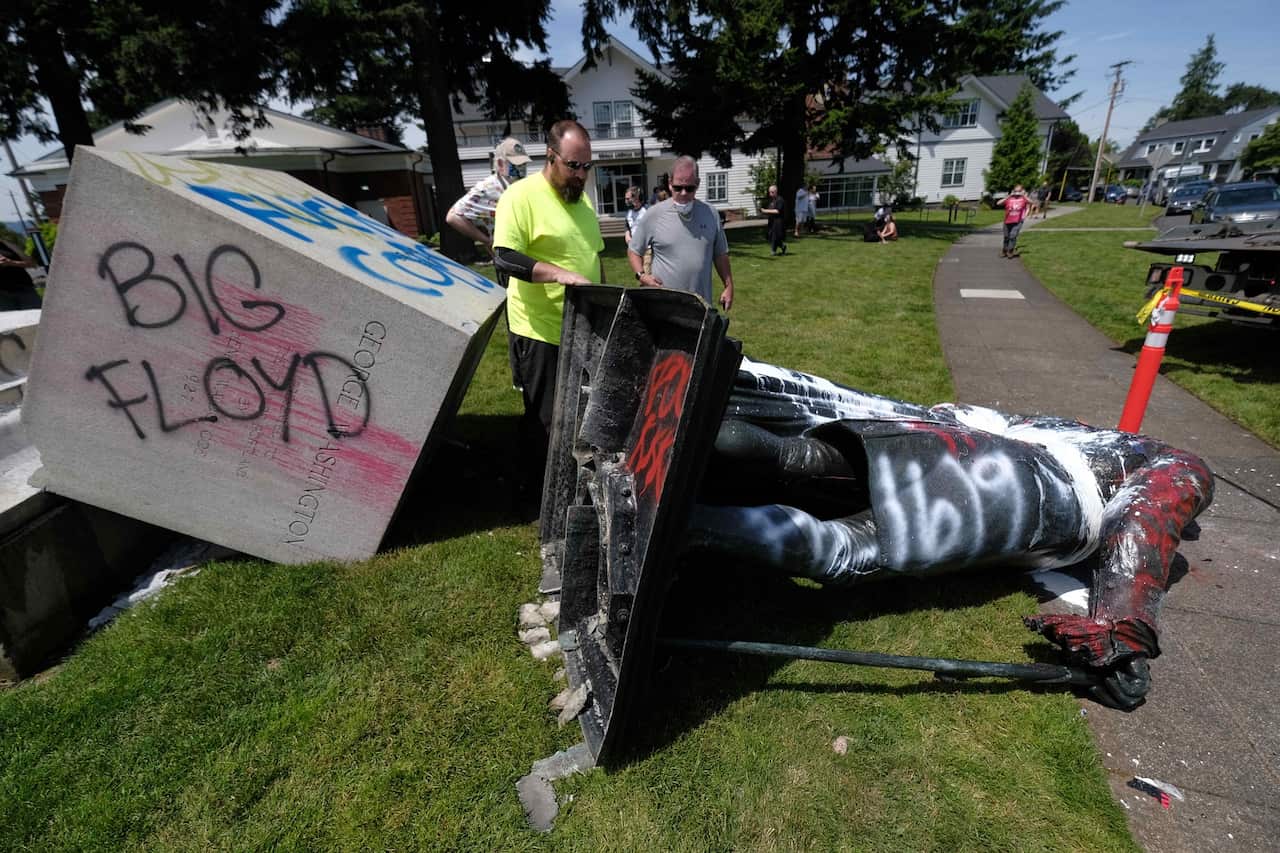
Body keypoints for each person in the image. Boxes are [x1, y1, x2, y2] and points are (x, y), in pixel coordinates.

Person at [493, 119, 605, 492]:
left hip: (582, 327)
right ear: (550, 156)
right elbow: (505, 258)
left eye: (587, 166)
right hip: (539, 331)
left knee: (580, 415)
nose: (581, 174)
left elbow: (594, 256)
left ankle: (569, 489)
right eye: (573, 165)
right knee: (546, 421)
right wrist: (558, 274)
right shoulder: (520, 197)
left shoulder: (583, 201)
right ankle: (540, 499)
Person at [628, 155, 734, 311]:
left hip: (701, 308)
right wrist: (642, 276)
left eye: (689, 188)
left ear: (697, 184)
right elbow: (633, 250)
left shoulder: (710, 214)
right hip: (664, 309)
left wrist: (728, 285)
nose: (683, 193)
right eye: (678, 187)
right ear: (670, 184)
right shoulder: (654, 214)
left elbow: (720, 255)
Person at [445, 137, 531, 261]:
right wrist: (487, 241)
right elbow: (453, 216)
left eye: (523, 163)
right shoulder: (487, 188)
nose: (521, 169)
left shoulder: (518, 185)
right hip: (508, 258)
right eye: (516, 164)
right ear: (501, 164)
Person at [0, 239, 42, 311]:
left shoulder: (7, 244)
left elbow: (32, 264)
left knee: (38, 316)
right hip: (3, 296)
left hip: (25, 289)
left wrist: (12, 263)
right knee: (10, 321)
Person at [997, 184, 1030, 258]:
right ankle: (1004, 251)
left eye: (1019, 191)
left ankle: (1010, 251)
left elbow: (1031, 202)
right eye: (1016, 191)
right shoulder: (1009, 198)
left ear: (1022, 191)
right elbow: (998, 203)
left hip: (1018, 221)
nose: (1017, 192)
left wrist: (1023, 195)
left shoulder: (1023, 199)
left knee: (1013, 236)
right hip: (1007, 220)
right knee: (1006, 236)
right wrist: (1009, 196)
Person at [761, 185, 786, 256]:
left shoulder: (780, 199)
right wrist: (764, 212)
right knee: (770, 235)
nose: (770, 194)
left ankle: (773, 251)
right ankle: (782, 246)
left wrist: (766, 211)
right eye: (769, 192)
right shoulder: (772, 200)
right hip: (771, 221)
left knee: (775, 236)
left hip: (778, 221)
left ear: (775, 192)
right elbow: (770, 209)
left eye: (772, 192)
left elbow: (777, 211)